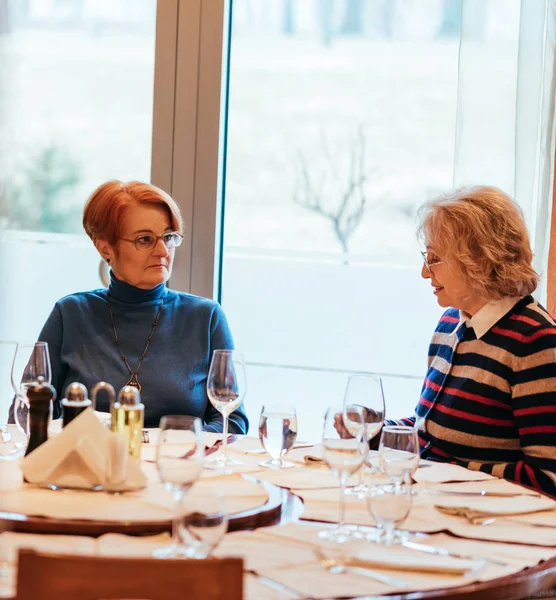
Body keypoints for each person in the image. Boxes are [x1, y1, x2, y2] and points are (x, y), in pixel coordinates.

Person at [9, 181, 248, 433]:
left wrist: (170, 447)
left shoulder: (206, 317)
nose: (162, 251)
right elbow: (26, 411)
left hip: (178, 465)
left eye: (168, 237)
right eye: (144, 239)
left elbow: (231, 420)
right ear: (105, 249)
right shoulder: (70, 313)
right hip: (91, 467)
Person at [391, 185, 556, 496]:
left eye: (435, 258)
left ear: (479, 260)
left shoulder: (536, 341)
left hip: (493, 530)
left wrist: (450, 471)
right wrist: (372, 431)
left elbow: (548, 478)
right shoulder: (451, 321)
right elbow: (432, 436)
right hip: (439, 509)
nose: (425, 273)